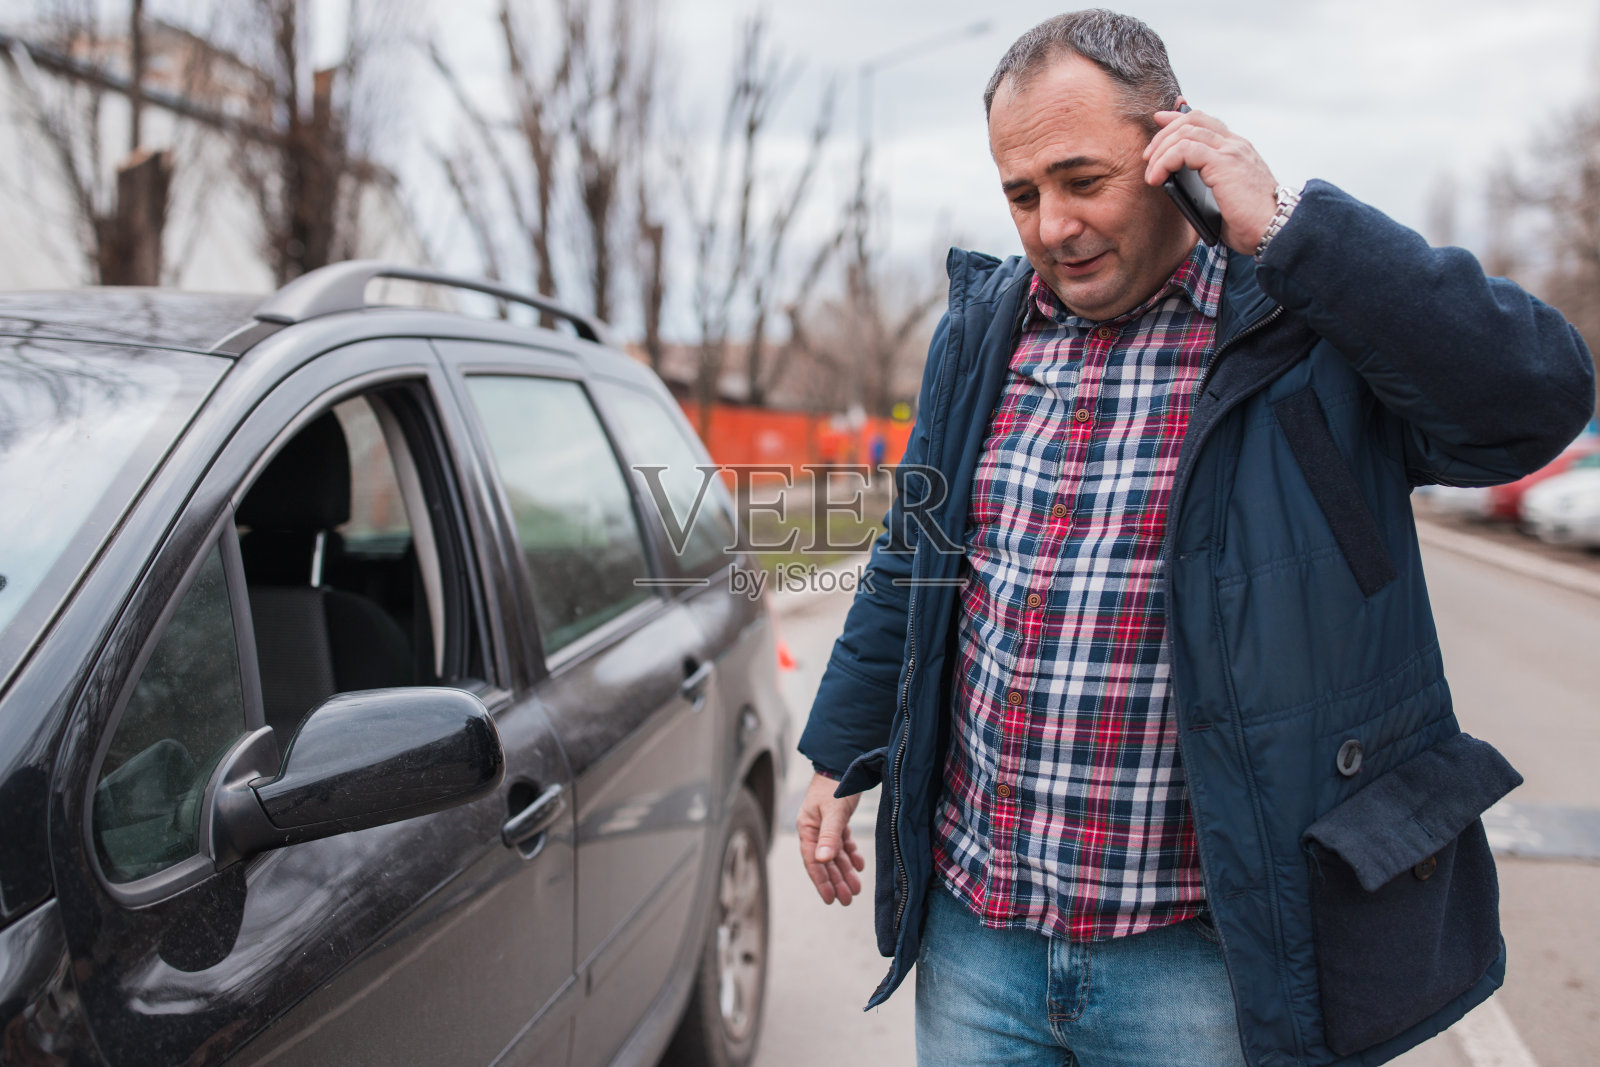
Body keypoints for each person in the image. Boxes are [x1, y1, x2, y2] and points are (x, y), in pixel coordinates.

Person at [794, 10, 1594, 1067]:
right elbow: (916, 552)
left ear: (1173, 146)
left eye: (1082, 180)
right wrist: (836, 751)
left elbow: (1533, 399)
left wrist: (1294, 229)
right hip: (979, 936)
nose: (1051, 225)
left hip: (1206, 963)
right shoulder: (980, 330)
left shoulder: (1301, 319)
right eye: (1021, 193)